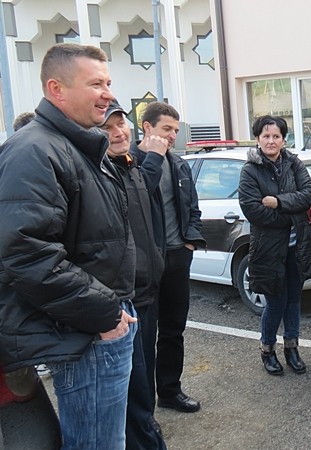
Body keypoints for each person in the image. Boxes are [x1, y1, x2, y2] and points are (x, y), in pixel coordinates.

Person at [0, 43, 137, 450]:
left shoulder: (77, 146)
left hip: (97, 323)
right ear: (56, 89)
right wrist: (105, 313)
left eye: (108, 82)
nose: (109, 94)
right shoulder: (34, 151)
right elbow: (25, 253)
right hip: (86, 332)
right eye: (96, 84)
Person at [100, 99, 169, 449]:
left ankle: (146, 431)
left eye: (120, 124)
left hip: (145, 288)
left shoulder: (128, 166)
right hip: (121, 300)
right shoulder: (102, 172)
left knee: (142, 383)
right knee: (132, 388)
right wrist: (153, 158)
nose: (118, 132)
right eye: (107, 127)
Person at [130, 101, 206, 413]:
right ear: (147, 127)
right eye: (166, 129)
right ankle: (145, 407)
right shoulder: (128, 163)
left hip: (177, 257)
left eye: (175, 129)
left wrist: (189, 243)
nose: (173, 135)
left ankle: (170, 392)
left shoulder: (179, 165)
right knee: (145, 337)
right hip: (146, 265)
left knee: (174, 331)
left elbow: (192, 209)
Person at [238, 115, 311, 376]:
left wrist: (278, 202)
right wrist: (292, 213)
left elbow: (307, 195)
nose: (271, 141)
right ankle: (268, 350)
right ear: (258, 139)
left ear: (283, 140)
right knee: (275, 303)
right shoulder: (250, 171)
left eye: (276, 136)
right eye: (266, 136)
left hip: (298, 247)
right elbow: (254, 211)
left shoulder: (294, 163)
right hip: (268, 250)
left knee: (294, 301)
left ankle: (292, 349)